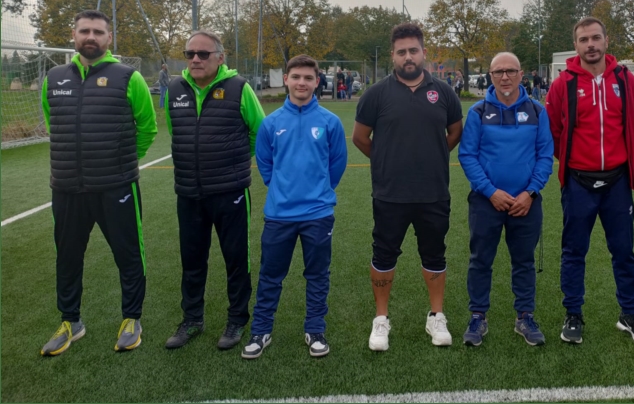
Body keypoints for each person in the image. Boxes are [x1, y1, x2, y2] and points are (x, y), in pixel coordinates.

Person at [40, 10, 157, 356]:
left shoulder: (128, 77)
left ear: (109, 38)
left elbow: (147, 127)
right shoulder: (54, 77)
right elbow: (53, 122)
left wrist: (120, 162)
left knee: (128, 254)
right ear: (74, 35)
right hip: (66, 187)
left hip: (116, 186)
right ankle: (70, 322)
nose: (90, 36)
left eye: (98, 31)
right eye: (84, 31)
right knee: (67, 256)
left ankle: (132, 319)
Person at [545, 16, 634, 346]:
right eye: (584, 39)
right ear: (576, 45)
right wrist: (577, 162)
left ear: (606, 41)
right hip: (578, 182)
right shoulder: (563, 83)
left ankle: (629, 314)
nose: (590, 44)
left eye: (596, 38)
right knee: (574, 252)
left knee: (623, 251)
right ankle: (573, 314)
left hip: (617, 182)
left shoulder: (625, 79)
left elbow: (631, 122)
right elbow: (554, 131)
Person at [352, 23, 463, 351]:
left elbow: (455, 132)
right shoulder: (376, 94)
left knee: (435, 253)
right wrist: (385, 160)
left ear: (424, 52)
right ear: (393, 55)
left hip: (433, 192)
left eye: (413, 50)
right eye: (401, 52)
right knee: (384, 253)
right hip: (390, 193)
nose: (408, 57)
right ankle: (381, 319)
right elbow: (360, 137)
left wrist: (433, 155)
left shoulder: (444, 92)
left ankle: (436, 316)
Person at [164, 30, 264, 351]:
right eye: (190, 53)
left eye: (203, 54)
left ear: (220, 58)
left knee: (236, 259)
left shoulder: (239, 88)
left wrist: (234, 161)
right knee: (192, 261)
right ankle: (192, 319)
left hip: (229, 191)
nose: (195, 59)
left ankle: (237, 320)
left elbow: (259, 133)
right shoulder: (174, 89)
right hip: (188, 192)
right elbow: (176, 132)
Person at [243, 55, 347, 359]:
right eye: (296, 77)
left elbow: (337, 164)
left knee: (317, 275)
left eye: (308, 78)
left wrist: (320, 190)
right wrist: (280, 188)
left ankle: (315, 330)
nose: (302, 83)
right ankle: (261, 331)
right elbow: (265, 163)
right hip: (279, 215)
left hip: (318, 214)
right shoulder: (271, 123)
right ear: (286, 79)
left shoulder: (330, 121)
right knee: (270, 276)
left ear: (317, 82)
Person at [458, 52, 554, 347]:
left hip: (526, 202)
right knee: (480, 261)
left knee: (524, 261)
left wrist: (530, 192)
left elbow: (545, 156)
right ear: (490, 76)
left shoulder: (537, 111)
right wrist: (490, 191)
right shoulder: (477, 112)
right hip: (486, 202)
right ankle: (478, 316)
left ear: (521, 74)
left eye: (510, 71)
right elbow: (467, 155)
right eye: (498, 72)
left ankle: (524, 316)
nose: (505, 77)